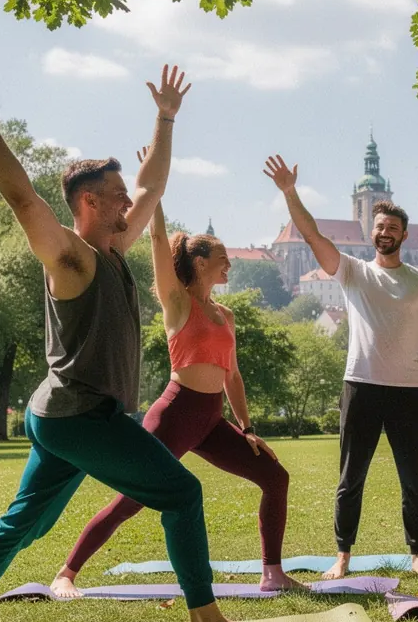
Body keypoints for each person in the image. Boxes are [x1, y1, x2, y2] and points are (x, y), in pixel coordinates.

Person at [0, 54, 267, 622]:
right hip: (79, 414)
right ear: (87, 202)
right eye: (113, 196)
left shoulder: (113, 248)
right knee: (181, 495)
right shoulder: (72, 257)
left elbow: (152, 185)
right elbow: (24, 199)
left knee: (25, 523)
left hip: (67, 415)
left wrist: (164, 120)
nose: (125, 203)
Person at [49, 151, 301, 599]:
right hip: (176, 414)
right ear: (200, 262)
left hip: (211, 419)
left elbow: (234, 377)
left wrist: (247, 428)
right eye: (222, 258)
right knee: (133, 500)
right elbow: (158, 242)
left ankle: (272, 572)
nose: (229, 265)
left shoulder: (225, 314)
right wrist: (157, 199)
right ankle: (66, 573)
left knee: (275, 477)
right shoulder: (178, 303)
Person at [264, 154, 418, 579]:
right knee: (351, 477)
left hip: (407, 391)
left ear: (403, 234)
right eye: (379, 227)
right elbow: (310, 235)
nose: (384, 232)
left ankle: (417, 553)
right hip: (360, 387)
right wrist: (290, 192)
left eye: (391, 228)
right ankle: (343, 554)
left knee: (413, 480)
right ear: (373, 233)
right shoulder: (352, 272)